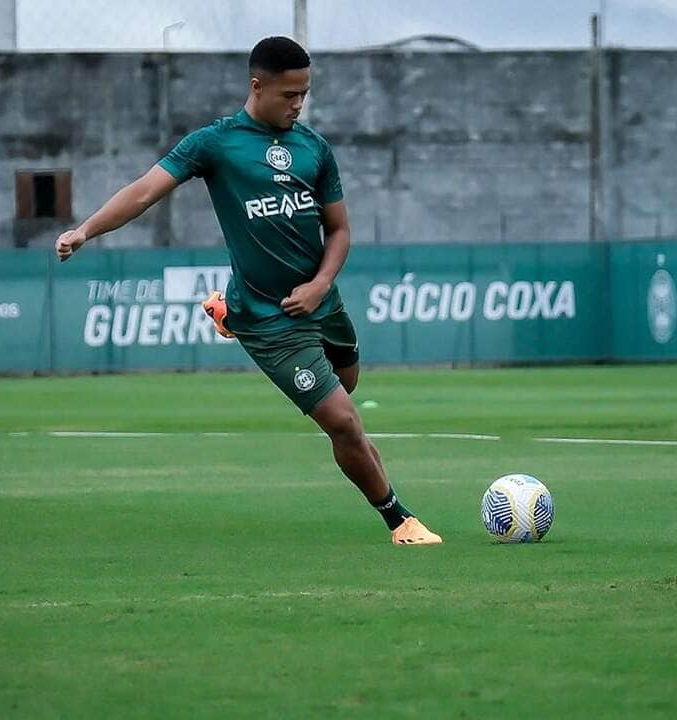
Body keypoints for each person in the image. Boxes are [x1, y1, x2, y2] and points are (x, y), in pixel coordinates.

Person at [55, 36, 441, 546]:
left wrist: (320, 285)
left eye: (305, 93)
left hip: (320, 302)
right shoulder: (214, 144)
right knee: (343, 422)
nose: (298, 104)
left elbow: (340, 231)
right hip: (271, 317)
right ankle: (399, 519)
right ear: (257, 86)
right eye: (289, 95)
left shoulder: (313, 148)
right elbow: (144, 191)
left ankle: (225, 312)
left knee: (346, 384)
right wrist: (85, 230)